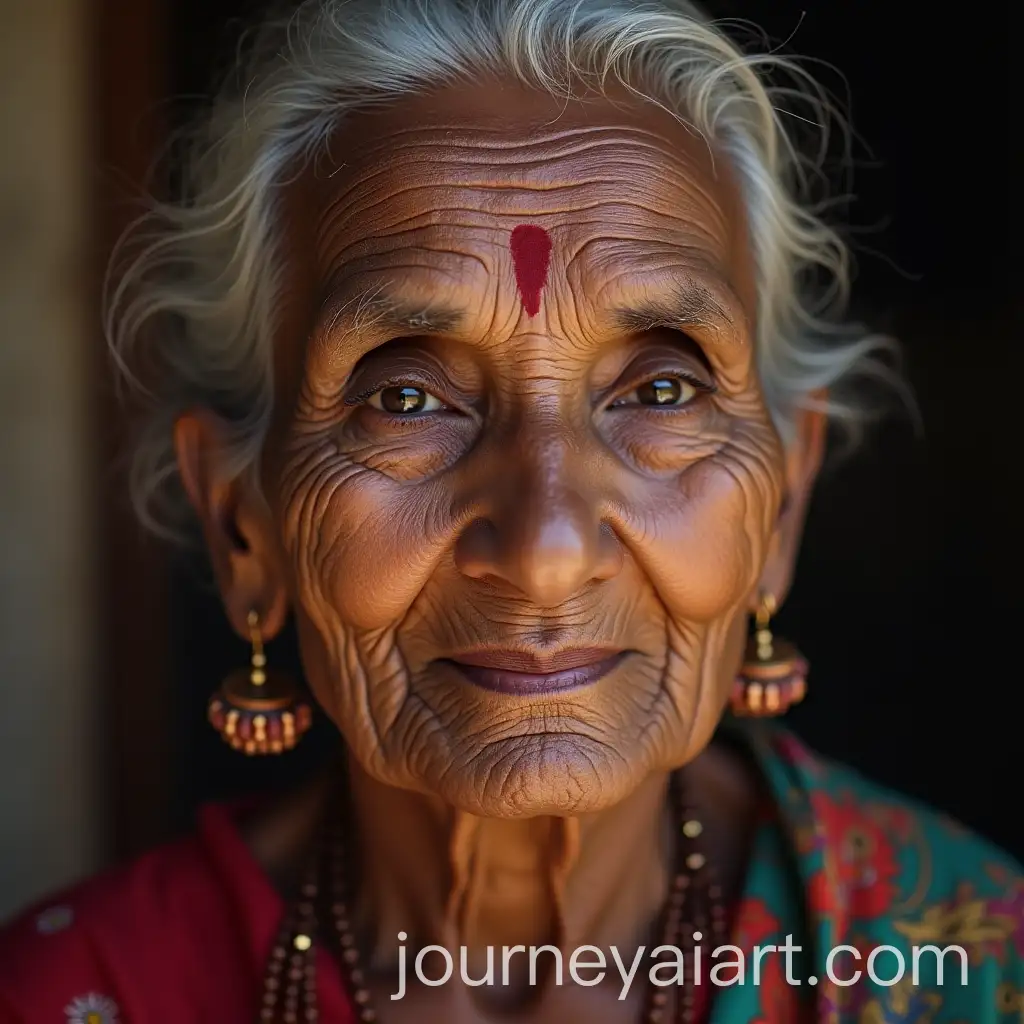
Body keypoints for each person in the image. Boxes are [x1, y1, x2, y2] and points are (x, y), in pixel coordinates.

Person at [2, 0, 1021, 1021]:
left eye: (662, 390)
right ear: (242, 525)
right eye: (403, 398)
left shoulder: (971, 967)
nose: (546, 551)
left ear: (783, 501)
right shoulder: (75, 995)